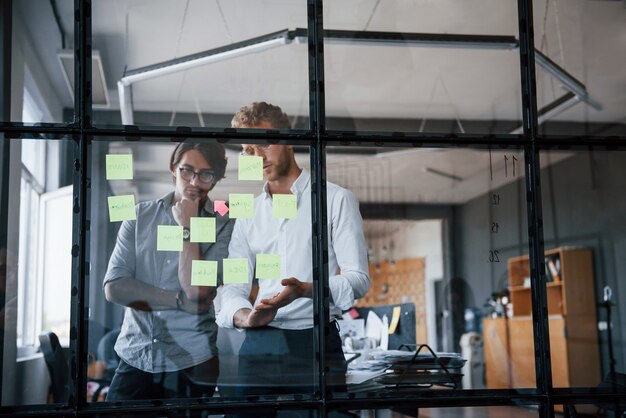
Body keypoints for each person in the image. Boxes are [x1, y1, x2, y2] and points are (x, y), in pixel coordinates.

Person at [216, 102, 370, 401]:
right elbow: (234, 284)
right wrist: (245, 316)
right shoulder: (248, 213)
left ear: (288, 140)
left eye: (265, 143)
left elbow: (359, 279)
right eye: (248, 150)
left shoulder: (336, 200)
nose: (257, 157)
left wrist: (306, 290)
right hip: (259, 340)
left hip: (315, 342)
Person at [104, 142, 234, 400]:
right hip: (135, 355)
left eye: (206, 174)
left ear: (216, 180)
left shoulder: (225, 224)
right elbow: (114, 287)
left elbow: (197, 291)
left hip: (193, 361)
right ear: (173, 168)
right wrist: (177, 301)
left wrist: (187, 226)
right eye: (187, 171)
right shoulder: (139, 216)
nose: (194, 181)